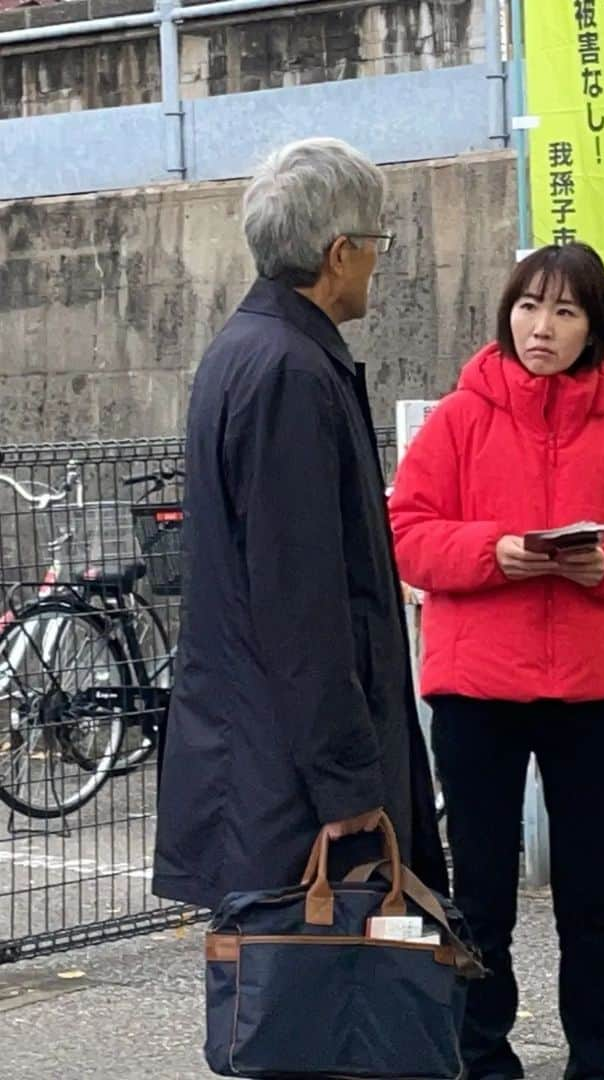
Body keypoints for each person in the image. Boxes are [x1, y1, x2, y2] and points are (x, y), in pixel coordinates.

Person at [388, 242, 604, 1080]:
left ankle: (598, 1061)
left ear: (594, 326)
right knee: (481, 898)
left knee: (589, 899)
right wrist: (496, 551)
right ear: (507, 313)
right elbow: (408, 534)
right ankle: (483, 1059)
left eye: (564, 311)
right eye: (528, 306)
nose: (541, 327)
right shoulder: (460, 416)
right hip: (478, 690)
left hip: (591, 691)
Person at [153, 137, 446, 912]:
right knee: (316, 1001)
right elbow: (302, 598)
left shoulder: (246, 349)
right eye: (375, 242)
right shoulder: (291, 370)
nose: (379, 261)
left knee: (279, 998)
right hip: (289, 776)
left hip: (255, 754)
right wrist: (349, 780)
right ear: (339, 252)